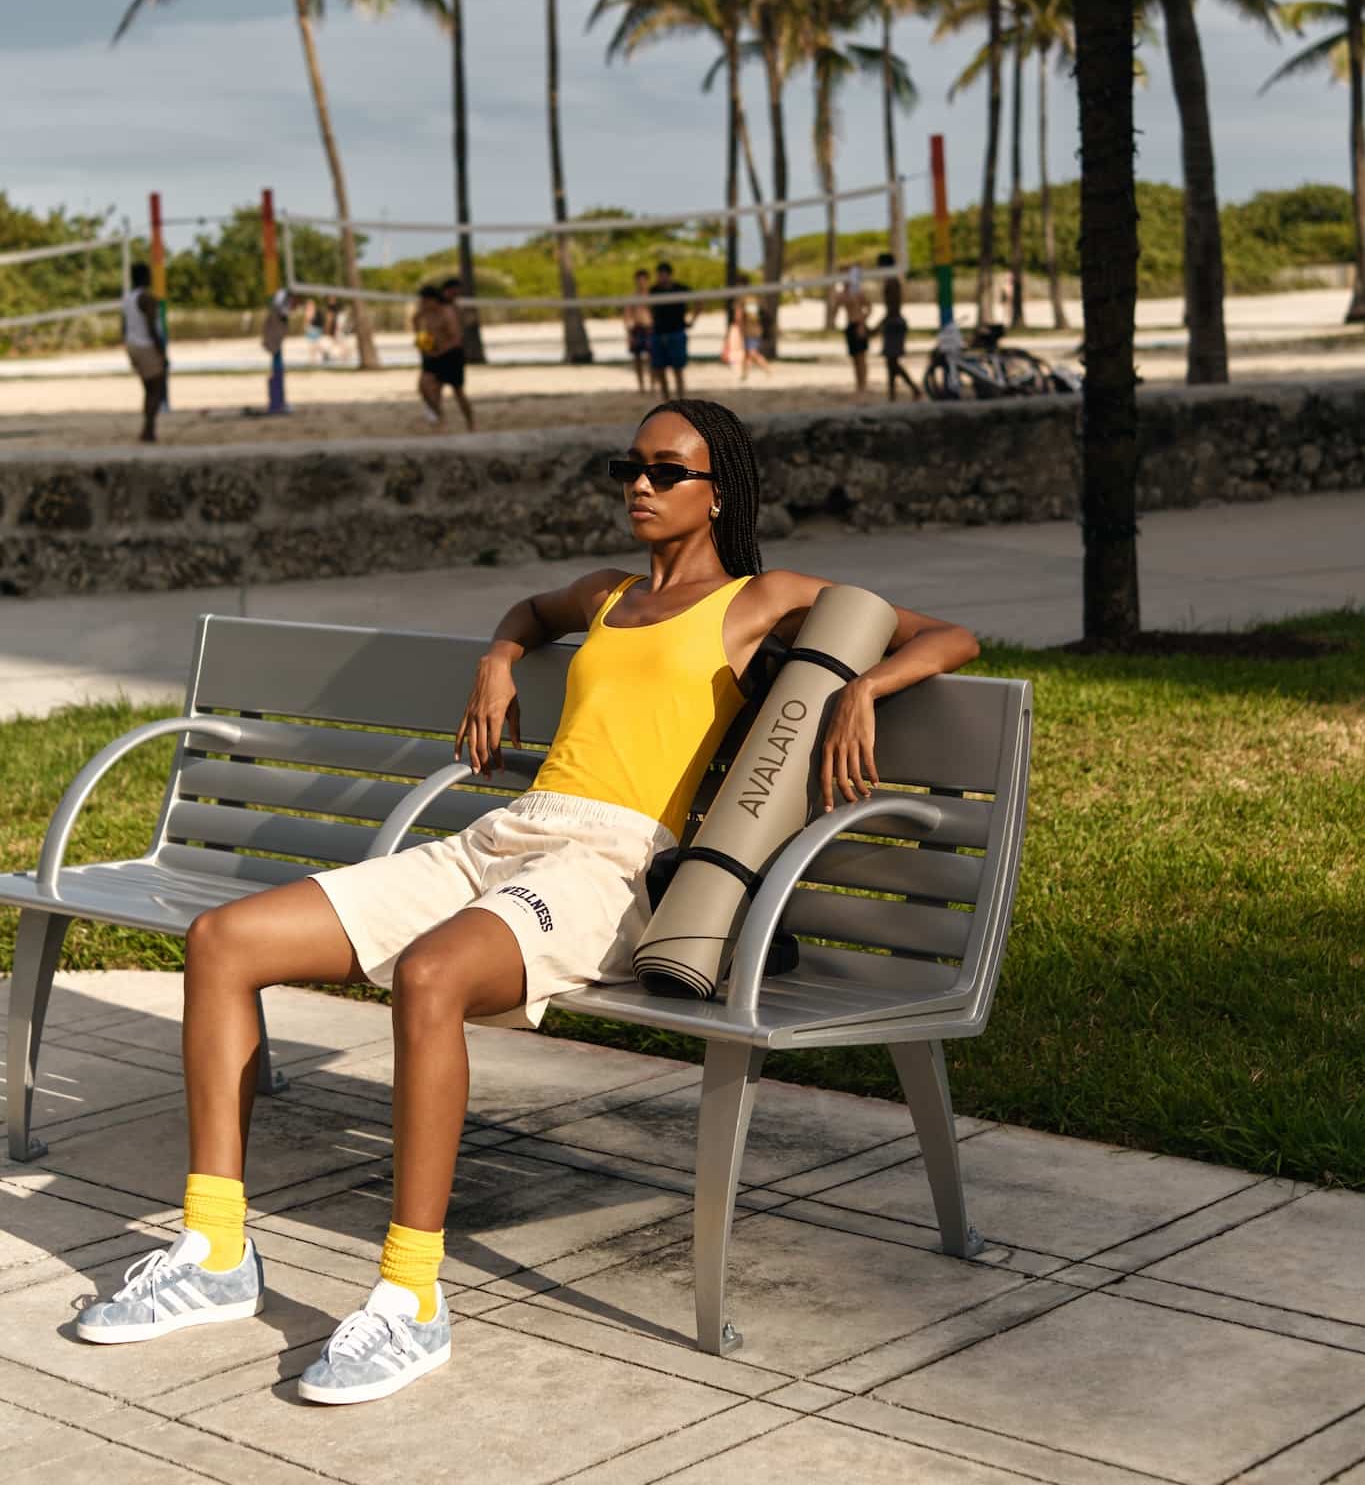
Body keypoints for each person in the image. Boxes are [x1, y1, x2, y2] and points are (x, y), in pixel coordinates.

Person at [72, 397, 978, 1406]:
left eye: (665, 469)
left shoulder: (762, 599)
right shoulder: (604, 593)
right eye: (626, 465)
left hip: (614, 864)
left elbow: (950, 629)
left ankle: (412, 1299)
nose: (639, 483)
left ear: (718, 490)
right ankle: (214, 1250)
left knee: (430, 975)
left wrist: (865, 687)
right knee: (221, 939)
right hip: (501, 837)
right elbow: (527, 612)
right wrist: (497, 659)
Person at [415, 282, 475, 432]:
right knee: (424, 387)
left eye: (424, 301)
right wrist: (424, 347)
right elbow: (419, 332)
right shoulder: (424, 314)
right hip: (434, 354)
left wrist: (438, 352)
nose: (422, 304)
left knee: (458, 392)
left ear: (432, 300)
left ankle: (470, 423)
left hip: (451, 355)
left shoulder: (447, 312)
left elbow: (456, 339)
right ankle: (439, 415)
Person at [122, 260, 167, 444]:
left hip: (133, 345)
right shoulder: (147, 298)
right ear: (144, 277)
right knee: (155, 390)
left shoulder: (127, 298)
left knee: (149, 390)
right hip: (146, 346)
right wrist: (161, 351)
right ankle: (148, 430)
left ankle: (148, 429)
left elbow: (123, 327)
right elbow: (152, 328)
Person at [872, 252, 921, 402]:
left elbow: (892, 309)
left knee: (892, 362)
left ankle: (912, 390)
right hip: (894, 323)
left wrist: (877, 327)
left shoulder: (892, 282)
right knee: (891, 362)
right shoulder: (892, 281)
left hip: (894, 324)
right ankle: (893, 395)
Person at [648, 259, 692, 400]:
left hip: (676, 332)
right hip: (659, 332)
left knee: (677, 369)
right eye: (659, 274)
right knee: (660, 369)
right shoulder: (654, 290)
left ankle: (680, 398)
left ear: (669, 275)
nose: (661, 277)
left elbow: (699, 301)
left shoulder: (680, 288)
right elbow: (648, 307)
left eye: (663, 274)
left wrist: (692, 321)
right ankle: (666, 399)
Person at [835, 263, 871, 395]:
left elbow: (869, 308)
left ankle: (863, 385)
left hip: (858, 325)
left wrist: (862, 323)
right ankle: (858, 384)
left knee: (861, 358)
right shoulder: (842, 294)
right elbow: (836, 309)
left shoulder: (857, 293)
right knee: (855, 358)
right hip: (850, 326)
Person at [261, 287, 295, 416]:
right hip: (275, 342)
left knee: (278, 369)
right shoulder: (278, 312)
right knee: (277, 370)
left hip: (275, 342)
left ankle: (278, 402)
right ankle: (277, 403)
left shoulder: (276, 310)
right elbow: (283, 311)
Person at [623, 267, 653, 393]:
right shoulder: (632, 297)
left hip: (650, 328)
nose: (641, 282)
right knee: (637, 359)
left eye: (643, 280)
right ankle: (641, 386)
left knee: (652, 359)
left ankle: (652, 385)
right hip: (637, 328)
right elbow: (627, 315)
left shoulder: (652, 296)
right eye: (639, 280)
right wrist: (629, 333)